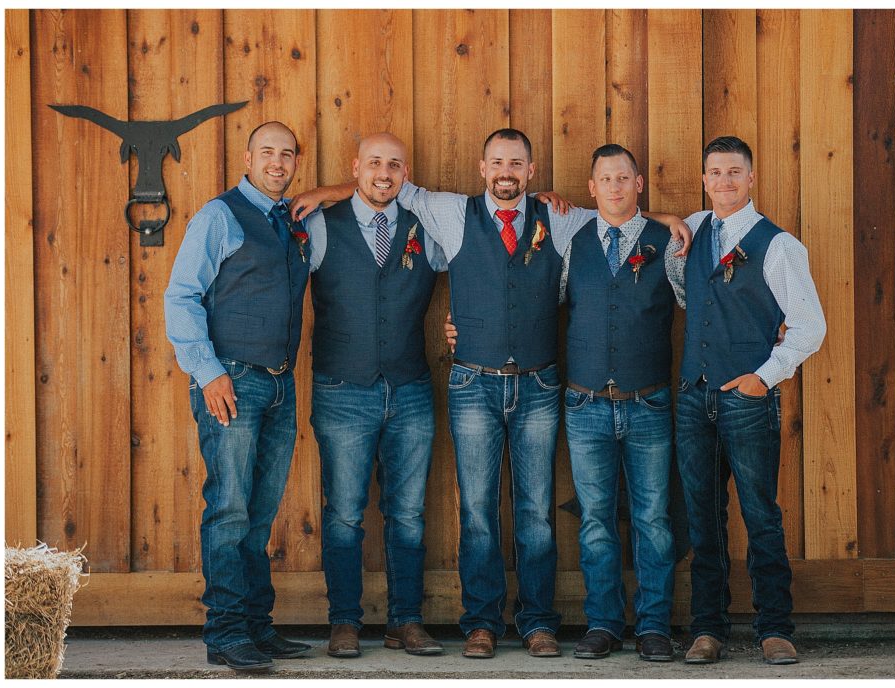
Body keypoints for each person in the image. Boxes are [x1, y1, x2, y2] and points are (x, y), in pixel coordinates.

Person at [292, 128, 690, 660]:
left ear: (531, 170)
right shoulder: (452, 212)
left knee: (536, 513)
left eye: (516, 163)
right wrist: (326, 192)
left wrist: (666, 219)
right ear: (483, 168)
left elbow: (618, 216)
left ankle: (538, 622)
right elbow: (385, 186)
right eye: (497, 162)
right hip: (472, 384)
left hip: (539, 384)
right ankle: (481, 623)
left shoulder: (559, 219)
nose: (506, 172)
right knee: (477, 511)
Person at [164, 121, 312, 672]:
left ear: (296, 161)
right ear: (247, 158)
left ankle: (256, 626)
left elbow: (363, 188)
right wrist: (208, 373)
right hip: (231, 380)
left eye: (287, 154)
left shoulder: (293, 219)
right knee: (228, 508)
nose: (277, 162)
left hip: (279, 382)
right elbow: (182, 296)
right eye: (267, 152)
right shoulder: (219, 216)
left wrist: (327, 191)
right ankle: (226, 632)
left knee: (260, 512)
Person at [675, 135, 826, 666]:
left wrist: (764, 377)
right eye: (715, 172)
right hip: (693, 396)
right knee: (702, 517)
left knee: (760, 514)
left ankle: (774, 629)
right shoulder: (692, 228)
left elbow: (810, 326)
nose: (725, 181)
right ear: (704, 179)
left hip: (747, 398)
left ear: (752, 178)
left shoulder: (778, 245)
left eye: (734, 172)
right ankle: (707, 629)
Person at [302, 133, 448, 658]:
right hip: (342, 389)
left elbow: (482, 256)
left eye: (394, 165)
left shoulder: (427, 226)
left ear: (406, 173)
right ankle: (344, 622)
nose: (383, 174)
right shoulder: (320, 225)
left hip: (410, 388)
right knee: (344, 513)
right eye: (374, 164)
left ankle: (405, 621)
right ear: (355, 167)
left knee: (408, 514)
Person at [559, 144, 683, 662]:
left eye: (623, 178)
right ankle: (603, 624)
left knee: (653, 518)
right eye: (605, 179)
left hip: (647, 401)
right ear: (592, 188)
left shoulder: (668, 242)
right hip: (584, 404)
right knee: (595, 520)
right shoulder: (570, 240)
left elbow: (698, 304)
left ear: (638, 184)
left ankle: (653, 625)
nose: (614, 187)